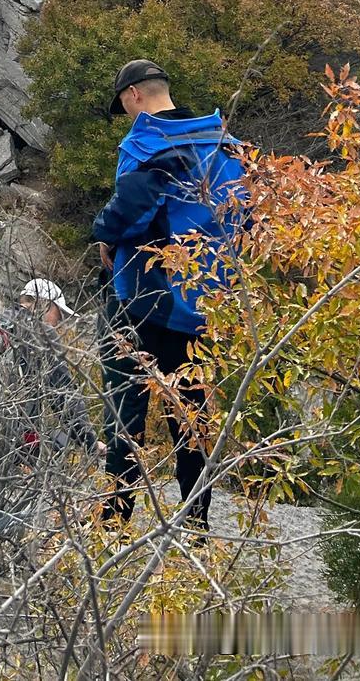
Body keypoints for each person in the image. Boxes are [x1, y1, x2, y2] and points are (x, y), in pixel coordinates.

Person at [91, 59, 246, 534]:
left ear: (135, 95)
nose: (127, 113)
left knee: (126, 406)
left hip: (142, 298)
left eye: (123, 104)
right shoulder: (228, 143)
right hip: (203, 305)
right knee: (191, 413)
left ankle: (113, 526)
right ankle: (196, 527)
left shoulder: (143, 142)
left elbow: (130, 213)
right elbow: (244, 220)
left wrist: (103, 233)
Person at [2, 278, 103, 462]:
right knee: (60, 444)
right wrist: (90, 442)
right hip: (9, 435)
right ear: (44, 304)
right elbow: (63, 395)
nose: (58, 324)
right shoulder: (41, 333)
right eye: (58, 315)